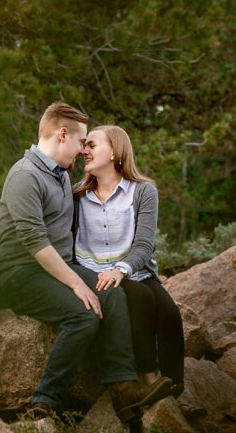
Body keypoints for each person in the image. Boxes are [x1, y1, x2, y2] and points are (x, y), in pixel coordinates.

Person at [0, 102, 175, 422]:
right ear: (62, 134)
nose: (82, 151)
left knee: (111, 291)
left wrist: (101, 274)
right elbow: (36, 243)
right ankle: (45, 399)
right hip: (23, 274)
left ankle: (124, 389)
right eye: (81, 143)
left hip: (57, 271)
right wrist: (78, 284)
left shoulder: (60, 175)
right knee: (84, 315)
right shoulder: (25, 176)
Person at [73, 125, 185, 403]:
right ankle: (150, 379)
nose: (84, 151)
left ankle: (177, 393)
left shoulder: (143, 191)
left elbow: (144, 246)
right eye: (84, 146)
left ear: (114, 151)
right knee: (142, 300)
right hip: (96, 274)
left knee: (170, 313)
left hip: (134, 269)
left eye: (92, 145)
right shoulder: (75, 195)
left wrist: (122, 269)